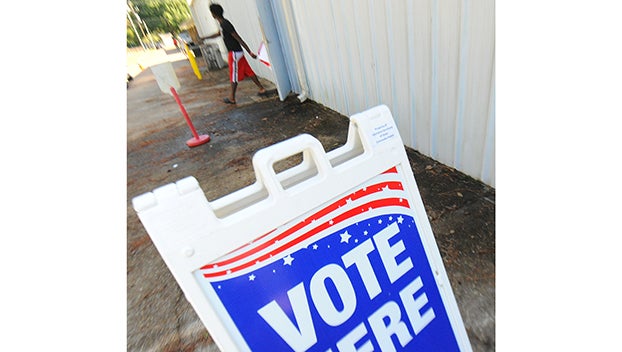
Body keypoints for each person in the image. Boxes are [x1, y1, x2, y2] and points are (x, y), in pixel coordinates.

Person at [200, 3, 267, 104]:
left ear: (214, 14)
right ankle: (262, 88)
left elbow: (237, 37)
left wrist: (249, 51)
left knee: (233, 75)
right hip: (237, 52)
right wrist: (205, 38)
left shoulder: (225, 24)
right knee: (248, 71)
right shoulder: (222, 24)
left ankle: (232, 97)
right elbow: (218, 34)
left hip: (234, 53)